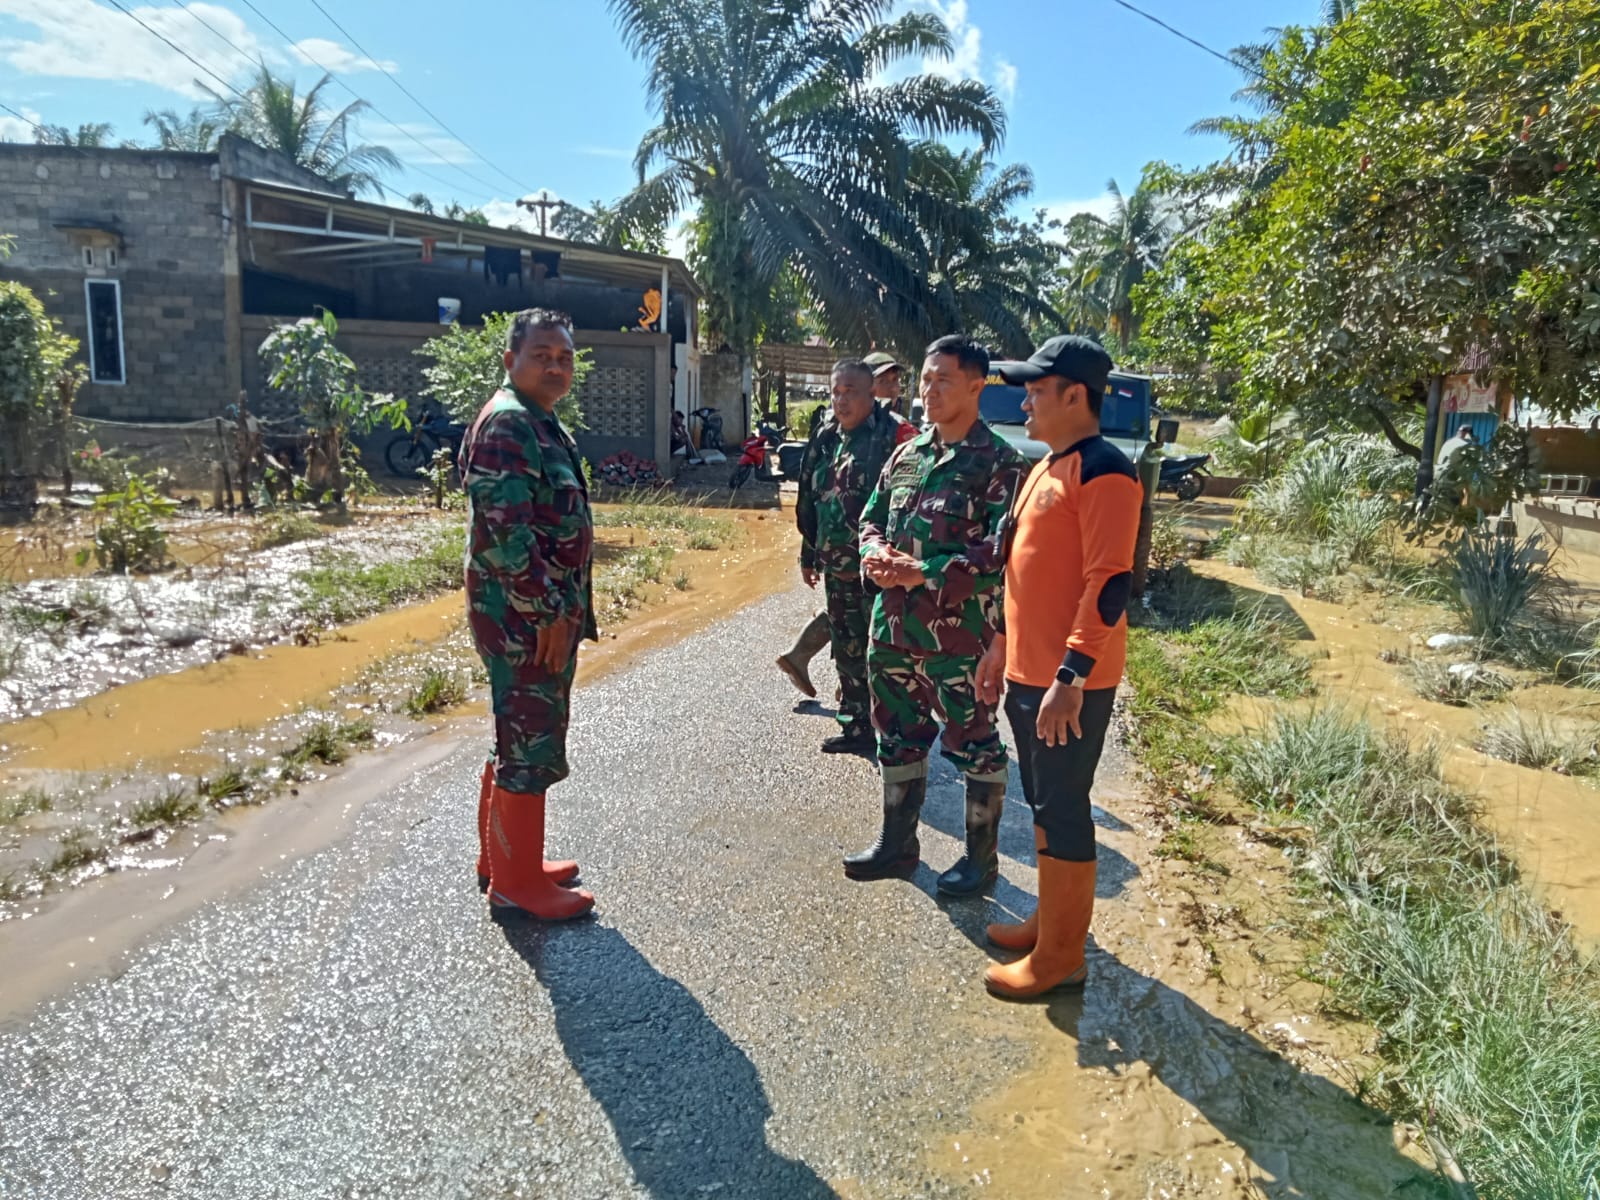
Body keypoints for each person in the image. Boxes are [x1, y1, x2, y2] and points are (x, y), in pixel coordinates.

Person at [975, 335, 1142, 998]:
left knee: (1064, 806)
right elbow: (1020, 572)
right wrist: (999, 647)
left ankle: (1062, 957)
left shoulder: (1106, 470)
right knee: (1043, 804)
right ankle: (1050, 925)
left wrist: (1070, 677)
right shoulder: (1045, 466)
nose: (1026, 400)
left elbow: (1110, 583)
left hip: (1069, 685)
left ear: (1077, 396)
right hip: (1028, 672)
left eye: (1038, 390)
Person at [844, 334, 1028, 896]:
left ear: (976, 385)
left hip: (959, 639)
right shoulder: (907, 454)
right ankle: (898, 845)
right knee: (895, 736)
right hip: (893, 630)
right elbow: (871, 516)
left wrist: (921, 572)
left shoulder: (1000, 463)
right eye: (925, 379)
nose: (929, 390)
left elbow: (998, 552)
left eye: (942, 379)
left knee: (975, 741)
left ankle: (982, 860)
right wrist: (874, 553)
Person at [460, 308, 596, 921]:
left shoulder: (537, 421)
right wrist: (547, 614)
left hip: (528, 611)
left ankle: (507, 859)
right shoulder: (510, 425)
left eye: (564, 357)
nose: (555, 365)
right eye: (541, 354)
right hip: (523, 616)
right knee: (529, 740)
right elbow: (508, 538)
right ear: (510, 360)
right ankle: (515, 885)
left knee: (516, 732)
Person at [777, 361, 916, 699]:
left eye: (896, 380)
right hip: (839, 562)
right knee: (846, 635)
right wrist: (808, 554)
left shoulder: (898, 433)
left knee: (880, 641)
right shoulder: (827, 436)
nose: (894, 386)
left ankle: (873, 711)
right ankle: (855, 712)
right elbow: (811, 499)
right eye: (888, 379)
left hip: (879, 564)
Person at [865, 351, 907, 418]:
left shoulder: (904, 425)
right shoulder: (852, 424)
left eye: (895, 379)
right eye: (882, 381)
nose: (893, 388)